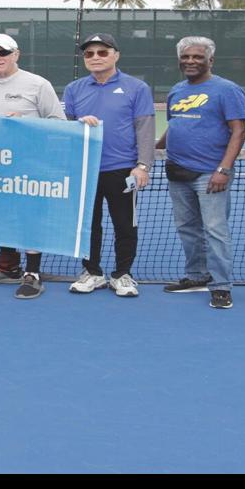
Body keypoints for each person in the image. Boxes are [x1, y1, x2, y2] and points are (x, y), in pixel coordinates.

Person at [154, 36, 245, 310]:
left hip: (210, 174)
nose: (191, 61)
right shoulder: (176, 90)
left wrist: (223, 169)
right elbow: (175, 125)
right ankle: (196, 276)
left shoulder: (227, 90)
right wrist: (152, 151)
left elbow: (238, 131)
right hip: (177, 172)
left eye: (197, 57)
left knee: (215, 230)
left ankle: (220, 286)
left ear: (210, 60)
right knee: (187, 229)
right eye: (186, 57)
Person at [0, 33, 62, 299]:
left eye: (3, 53)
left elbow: (59, 122)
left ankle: (32, 274)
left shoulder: (38, 84)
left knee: (29, 218)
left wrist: (25, 122)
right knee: (2, 216)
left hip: (30, 165)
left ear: (16, 55)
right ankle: (8, 267)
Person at [63, 33, 154, 298]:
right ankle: (92, 272)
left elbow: (145, 128)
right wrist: (78, 124)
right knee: (88, 225)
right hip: (86, 170)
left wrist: (143, 166)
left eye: (102, 52)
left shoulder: (136, 88)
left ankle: (122, 274)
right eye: (89, 54)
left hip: (123, 170)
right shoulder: (74, 89)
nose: (95, 58)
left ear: (116, 55)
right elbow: (67, 129)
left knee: (125, 225)